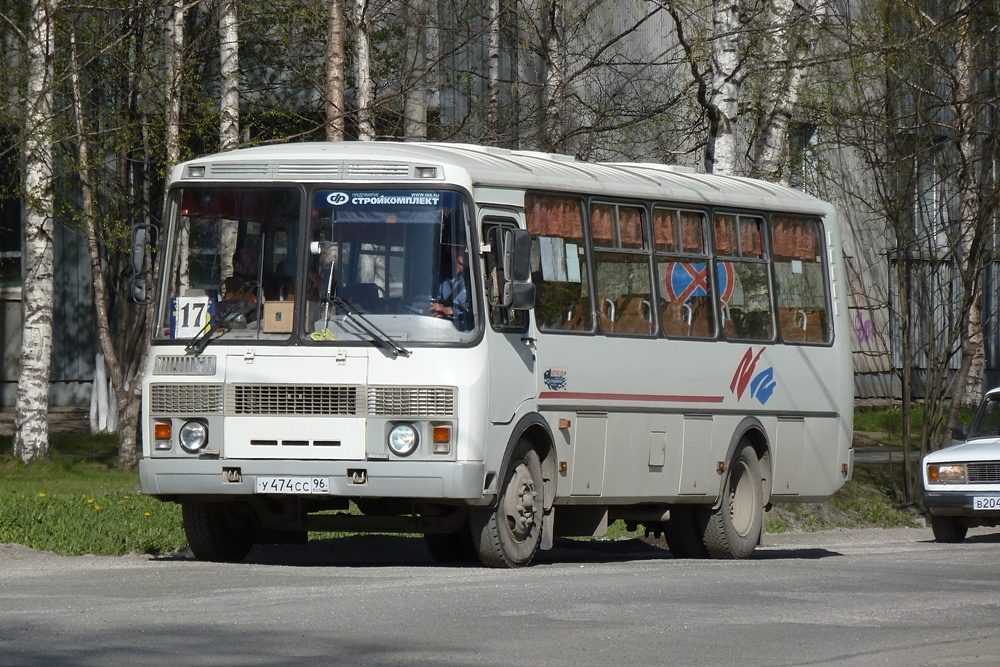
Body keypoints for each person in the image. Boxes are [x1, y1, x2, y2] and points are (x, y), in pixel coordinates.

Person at [430, 245, 472, 330]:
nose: (468, 253)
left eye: (469, 249)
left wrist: (450, 310)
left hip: (465, 331)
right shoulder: (440, 278)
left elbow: (475, 308)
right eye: (465, 249)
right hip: (438, 327)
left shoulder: (474, 280)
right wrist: (431, 308)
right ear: (454, 252)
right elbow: (426, 298)